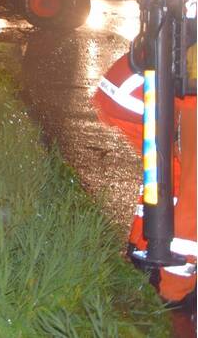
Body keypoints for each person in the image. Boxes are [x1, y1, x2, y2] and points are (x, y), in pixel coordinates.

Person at [94, 41, 196, 321]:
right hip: (155, 87)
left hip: (143, 86)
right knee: (188, 184)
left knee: (171, 177)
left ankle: (147, 248)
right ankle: (173, 286)